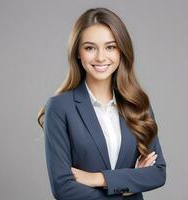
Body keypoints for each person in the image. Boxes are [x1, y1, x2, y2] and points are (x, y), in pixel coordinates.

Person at [37, 7, 166, 200]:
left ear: (121, 50)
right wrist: (127, 186)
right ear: (78, 52)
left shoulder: (138, 104)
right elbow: (62, 187)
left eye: (110, 47)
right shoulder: (60, 107)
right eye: (90, 48)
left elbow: (157, 173)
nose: (100, 57)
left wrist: (99, 179)